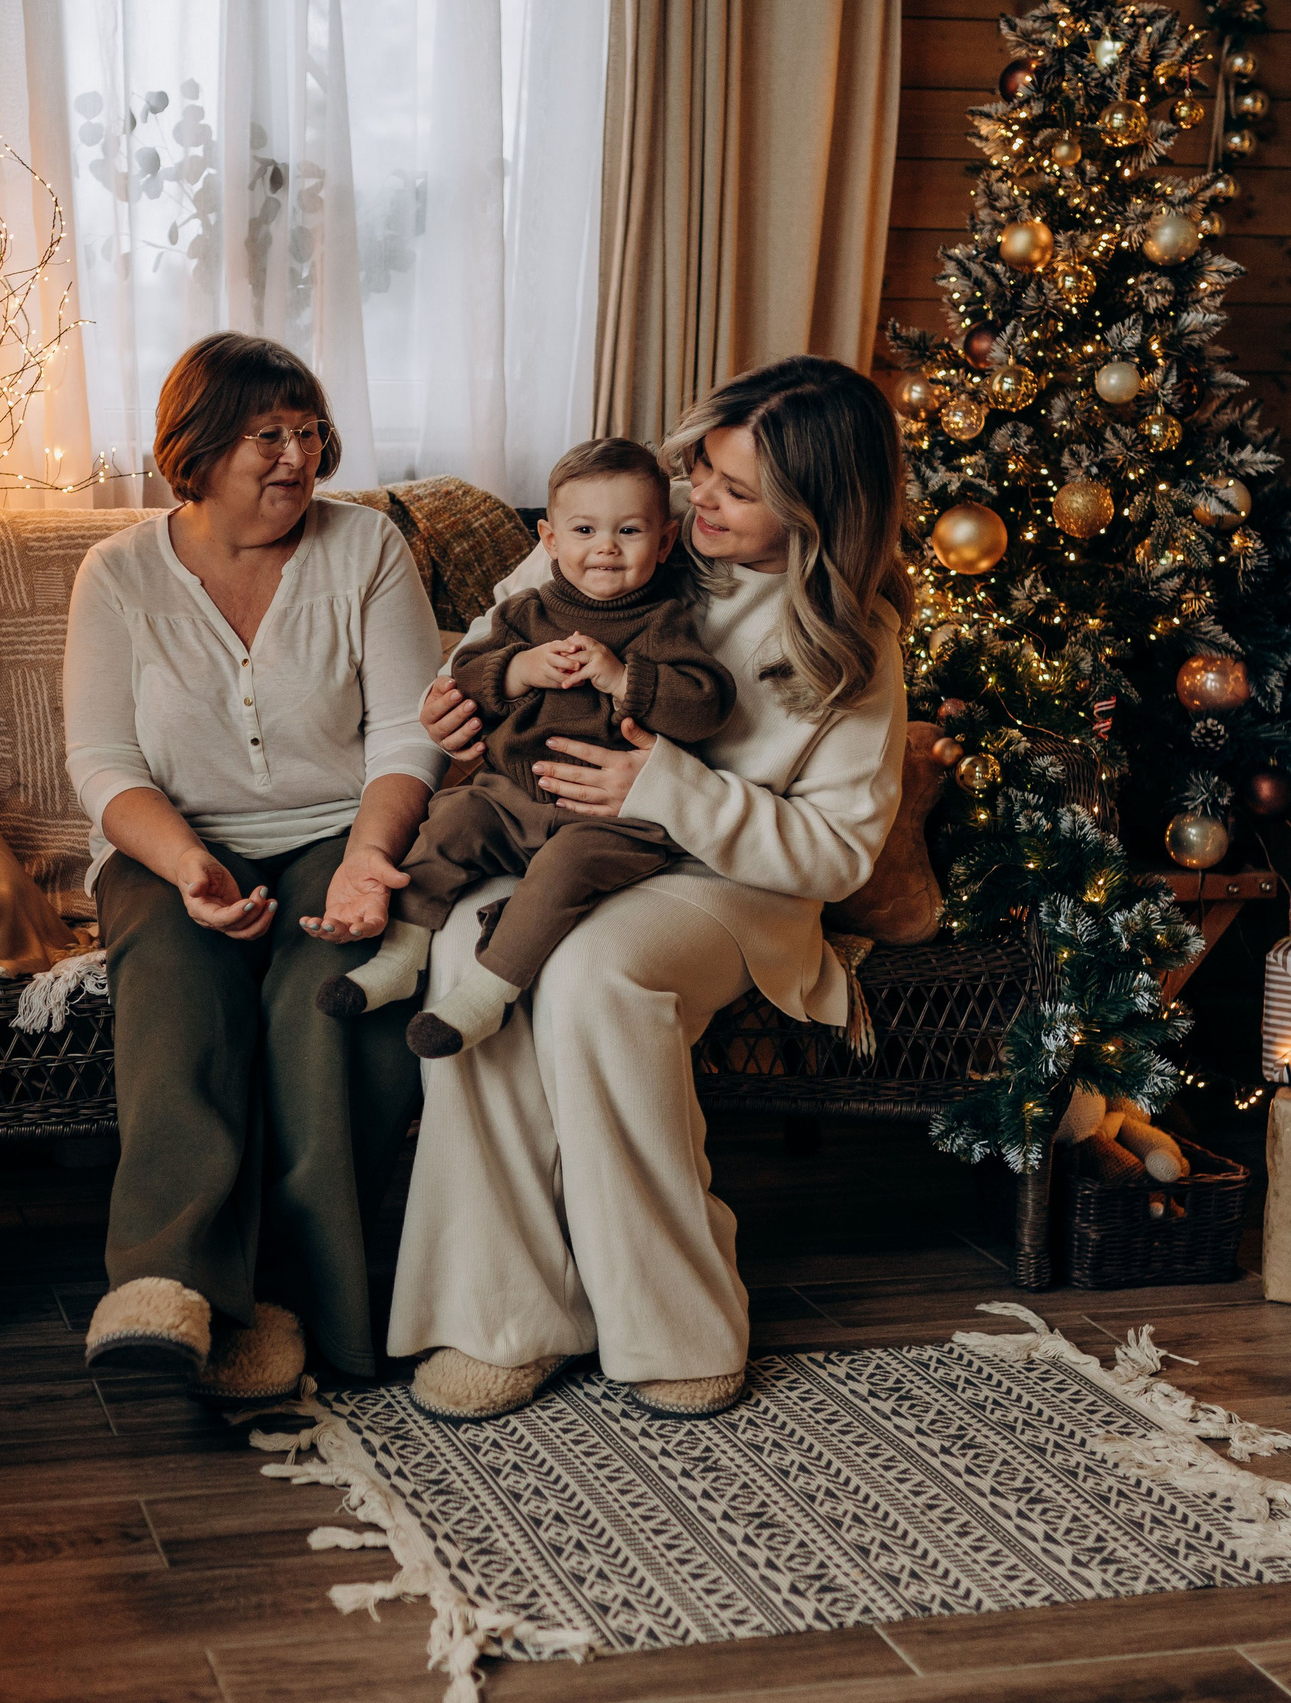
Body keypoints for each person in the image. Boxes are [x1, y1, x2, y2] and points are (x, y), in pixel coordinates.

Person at [389, 355, 915, 1424]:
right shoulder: (633, 533)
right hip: (560, 849)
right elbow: (484, 654)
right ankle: (504, 1313)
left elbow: (836, 855)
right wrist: (450, 708)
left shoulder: (852, 645)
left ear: (815, 509)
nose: (698, 500)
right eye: (703, 470)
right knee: (463, 954)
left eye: (735, 489)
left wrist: (666, 786)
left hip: (731, 884)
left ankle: (676, 1317)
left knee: (593, 971)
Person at [64, 332, 447, 1402]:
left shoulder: (365, 548)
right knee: (180, 994)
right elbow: (102, 758)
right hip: (169, 838)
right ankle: (165, 1290)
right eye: (264, 435)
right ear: (195, 448)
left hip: (343, 826)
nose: (296, 455)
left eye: (307, 430)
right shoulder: (119, 573)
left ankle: (297, 1307)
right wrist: (188, 865)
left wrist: (371, 857)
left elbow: (407, 736)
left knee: (322, 1007)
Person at [314, 438, 734, 1059]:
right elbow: (463, 680)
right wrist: (519, 670)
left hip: (615, 820)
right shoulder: (524, 612)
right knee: (449, 820)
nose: (606, 548)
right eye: (585, 529)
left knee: (562, 871)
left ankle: (488, 992)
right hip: (511, 799)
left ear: (666, 541)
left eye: (630, 530)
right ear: (550, 539)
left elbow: (707, 705)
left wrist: (625, 678)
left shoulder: (664, 621)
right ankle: (400, 956)